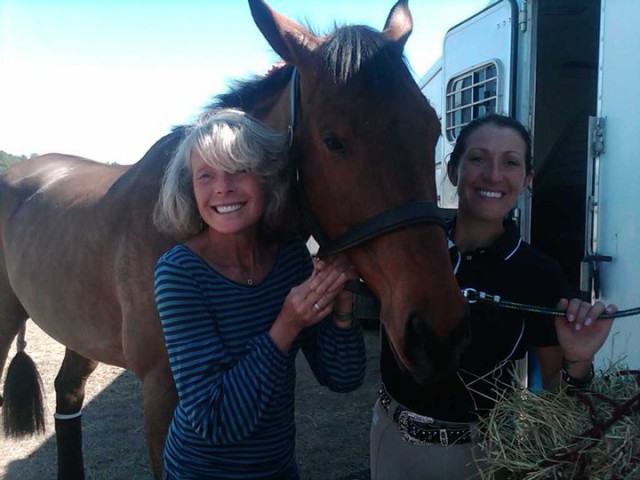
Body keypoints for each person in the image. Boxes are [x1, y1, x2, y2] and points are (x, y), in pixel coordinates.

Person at [369, 114, 616, 479]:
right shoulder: (415, 246)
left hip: (474, 455)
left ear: (527, 180)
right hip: (387, 432)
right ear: (453, 170)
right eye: (478, 158)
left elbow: (557, 399)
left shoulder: (540, 274)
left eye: (511, 162)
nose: (494, 175)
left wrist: (578, 361)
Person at [152, 108, 366, 480]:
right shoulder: (179, 273)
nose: (222, 187)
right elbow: (214, 419)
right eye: (206, 175)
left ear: (267, 178)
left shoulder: (290, 257)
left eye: (238, 169)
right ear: (191, 189)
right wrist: (286, 324)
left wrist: (342, 305)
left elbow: (343, 377)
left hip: (278, 468)